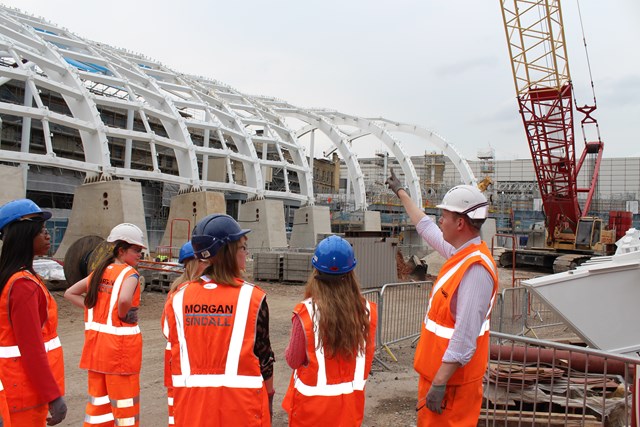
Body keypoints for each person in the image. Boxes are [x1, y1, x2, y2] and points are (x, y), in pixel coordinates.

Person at [386, 169, 498, 426]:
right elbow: (425, 226)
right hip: (439, 378)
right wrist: (401, 192)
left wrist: (439, 383)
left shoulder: (476, 270)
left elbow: (465, 336)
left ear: (460, 223)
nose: (440, 221)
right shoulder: (460, 252)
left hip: (451, 385)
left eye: (444, 216)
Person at [162, 214, 275, 426]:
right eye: (242, 247)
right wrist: (269, 396)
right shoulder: (253, 298)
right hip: (243, 412)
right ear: (228, 252)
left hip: (191, 412)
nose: (246, 253)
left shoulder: (178, 298)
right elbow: (264, 359)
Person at [282, 235, 378, 427]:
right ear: (351, 273)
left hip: (311, 414)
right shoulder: (367, 310)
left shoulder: (307, 312)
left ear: (316, 272)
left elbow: (293, 360)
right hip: (349, 412)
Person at [64, 223, 146, 427]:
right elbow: (124, 300)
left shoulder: (99, 272)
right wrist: (121, 313)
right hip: (120, 354)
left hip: (96, 351)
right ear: (121, 250)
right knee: (125, 407)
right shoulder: (130, 274)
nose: (140, 255)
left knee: (99, 405)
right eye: (136, 250)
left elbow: (69, 293)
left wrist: (91, 308)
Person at [0, 199, 67, 427]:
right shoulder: (22, 285)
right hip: (24, 392)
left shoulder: (16, 279)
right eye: (41, 231)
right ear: (23, 235)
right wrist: (53, 395)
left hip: (18, 388)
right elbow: (31, 347)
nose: (48, 236)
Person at [163, 241, 207, 426]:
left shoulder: (176, 290)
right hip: (191, 359)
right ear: (196, 262)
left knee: (178, 410)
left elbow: (166, 329)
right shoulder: (196, 291)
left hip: (176, 361)